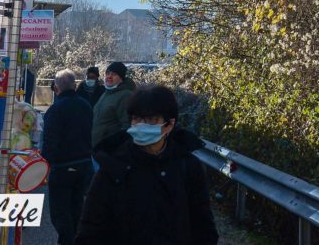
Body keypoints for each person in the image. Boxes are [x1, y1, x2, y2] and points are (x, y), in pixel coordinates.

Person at [75, 85, 218, 245]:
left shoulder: (188, 166)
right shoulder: (114, 165)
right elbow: (90, 228)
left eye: (152, 120)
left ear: (169, 124)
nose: (142, 125)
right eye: (137, 119)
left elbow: (203, 225)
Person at [41, 69, 94, 245]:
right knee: (77, 209)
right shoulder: (86, 105)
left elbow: (50, 142)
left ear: (56, 87)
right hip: (84, 164)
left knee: (61, 214)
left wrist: (44, 161)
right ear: (75, 85)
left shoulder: (55, 110)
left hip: (63, 167)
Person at [91, 61, 135, 147]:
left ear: (121, 78)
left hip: (110, 149)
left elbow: (126, 126)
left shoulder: (125, 95)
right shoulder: (106, 93)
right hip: (98, 147)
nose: (109, 76)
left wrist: (115, 147)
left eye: (114, 74)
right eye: (108, 73)